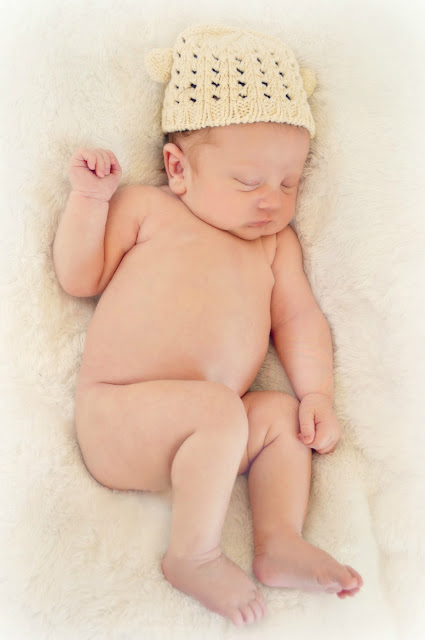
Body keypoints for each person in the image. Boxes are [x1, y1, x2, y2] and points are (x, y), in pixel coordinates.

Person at [52, 24, 363, 627]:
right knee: (219, 410)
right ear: (178, 168)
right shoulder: (147, 210)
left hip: (211, 438)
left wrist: (317, 394)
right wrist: (89, 201)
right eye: (248, 181)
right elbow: (79, 277)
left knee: (277, 418)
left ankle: (279, 542)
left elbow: (299, 317)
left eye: (290, 182)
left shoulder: (275, 246)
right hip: (121, 418)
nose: (272, 199)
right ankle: (192, 556)